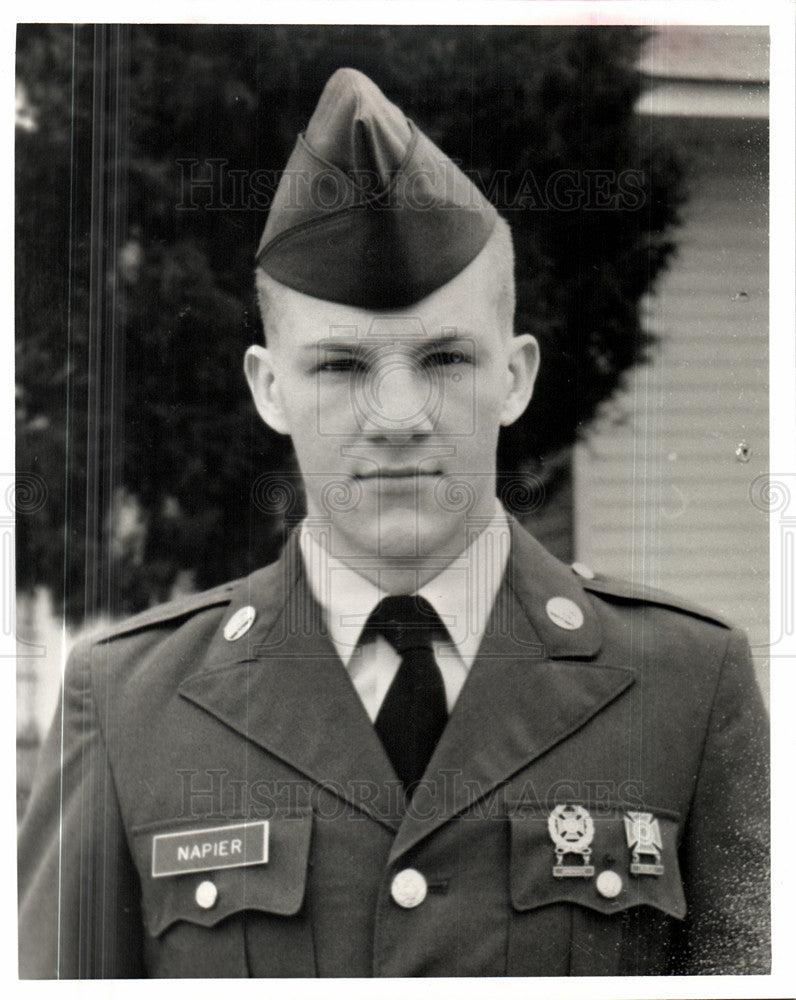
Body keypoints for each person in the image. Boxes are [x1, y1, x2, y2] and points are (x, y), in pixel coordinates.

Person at [18, 67, 769, 978]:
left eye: (447, 357)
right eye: (339, 368)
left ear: (517, 376)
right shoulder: (131, 704)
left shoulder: (685, 688)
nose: (398, 413)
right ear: (269, 388)